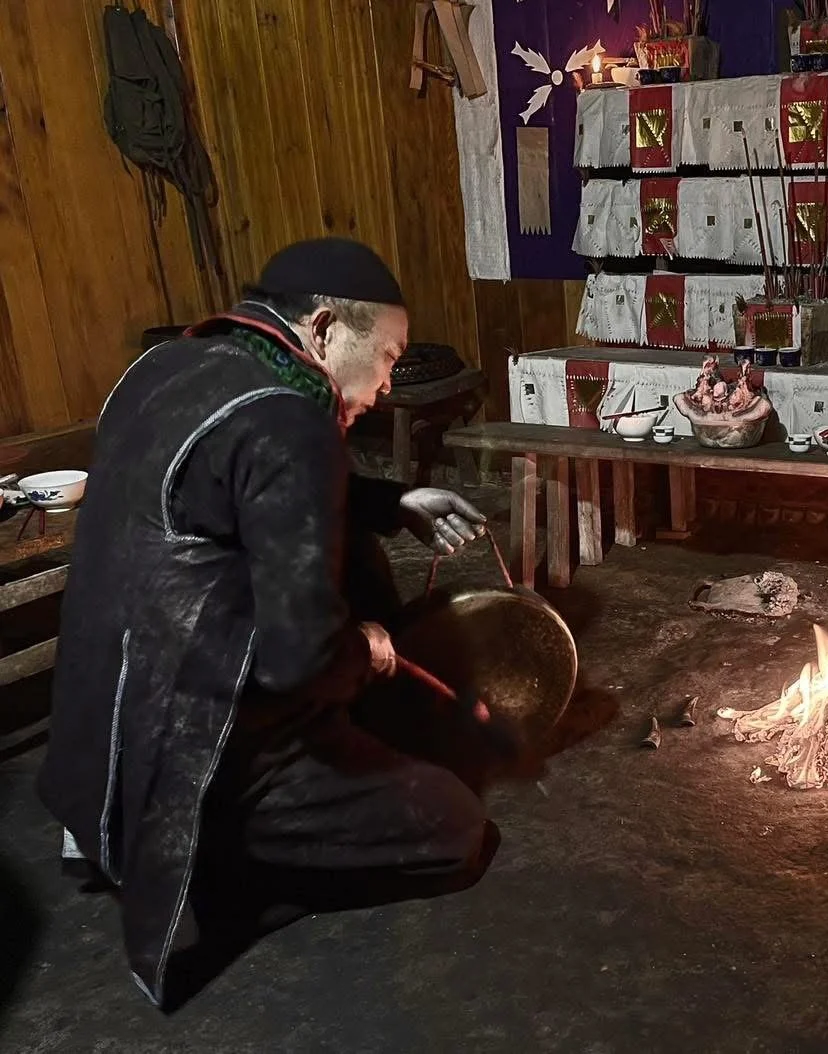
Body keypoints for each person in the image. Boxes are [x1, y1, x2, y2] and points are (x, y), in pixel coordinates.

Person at [37, 238, 498, 1010]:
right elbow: (296, 659)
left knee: (352, 558)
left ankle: (140, 841)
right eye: (385, 358)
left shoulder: (170, 367)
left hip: (95, 746)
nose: (385, 387)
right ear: (322, 330)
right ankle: (212, 868)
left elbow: (241, 489)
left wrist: (390, 504)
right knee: (455, 829)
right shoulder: (292, 421)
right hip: (187, 751)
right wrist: (365, 650)